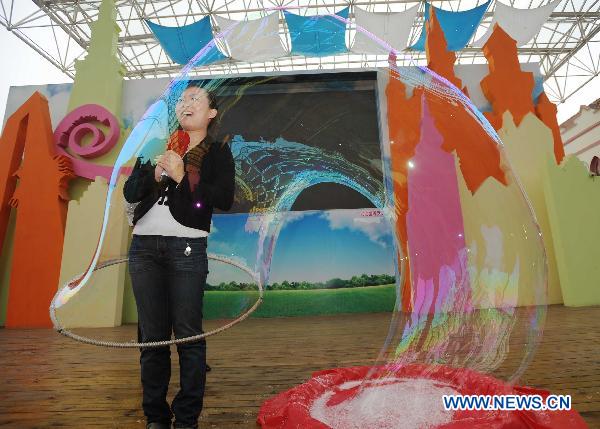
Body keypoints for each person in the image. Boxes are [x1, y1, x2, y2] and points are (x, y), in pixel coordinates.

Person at [123, 83, 235, 429]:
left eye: (195, 98)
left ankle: (186, 418)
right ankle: (156, 416)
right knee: (152, 338)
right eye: (183, 99)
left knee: (187, 335)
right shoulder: (160, 149)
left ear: (211, 113)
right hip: (143, 248)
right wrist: (155, 173)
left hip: (186, 248)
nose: (186, 103)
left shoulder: (218, 153)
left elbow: (221, 199)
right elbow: (130, 192)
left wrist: (182, 175)